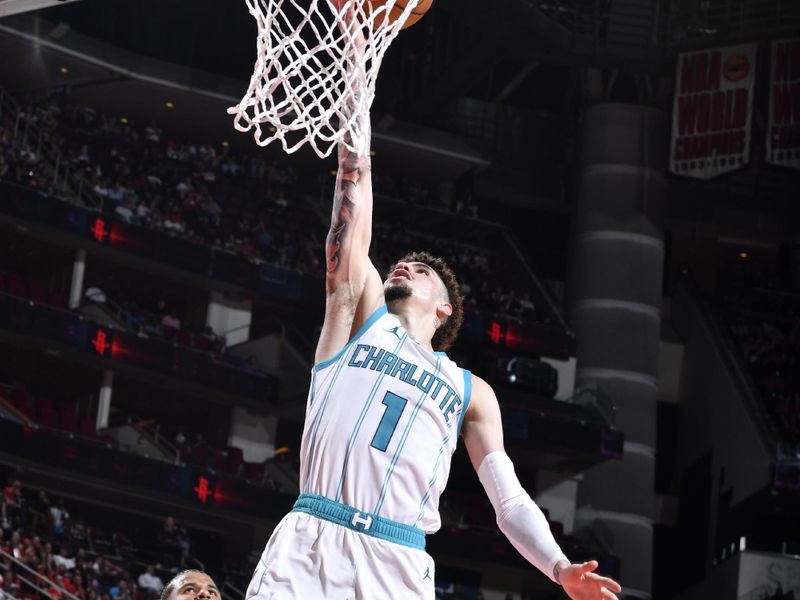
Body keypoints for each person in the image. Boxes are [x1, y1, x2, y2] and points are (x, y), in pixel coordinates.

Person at [245, 10, 622, 600]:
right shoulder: (355, 319)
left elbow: (510, 501)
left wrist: (558, 568)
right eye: (401, 263)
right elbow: (353, 207)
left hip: (395, 560)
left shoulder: (471, 392)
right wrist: (354, 63)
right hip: (313, 535)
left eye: (420, 271)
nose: (403, 266)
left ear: (444, 309)